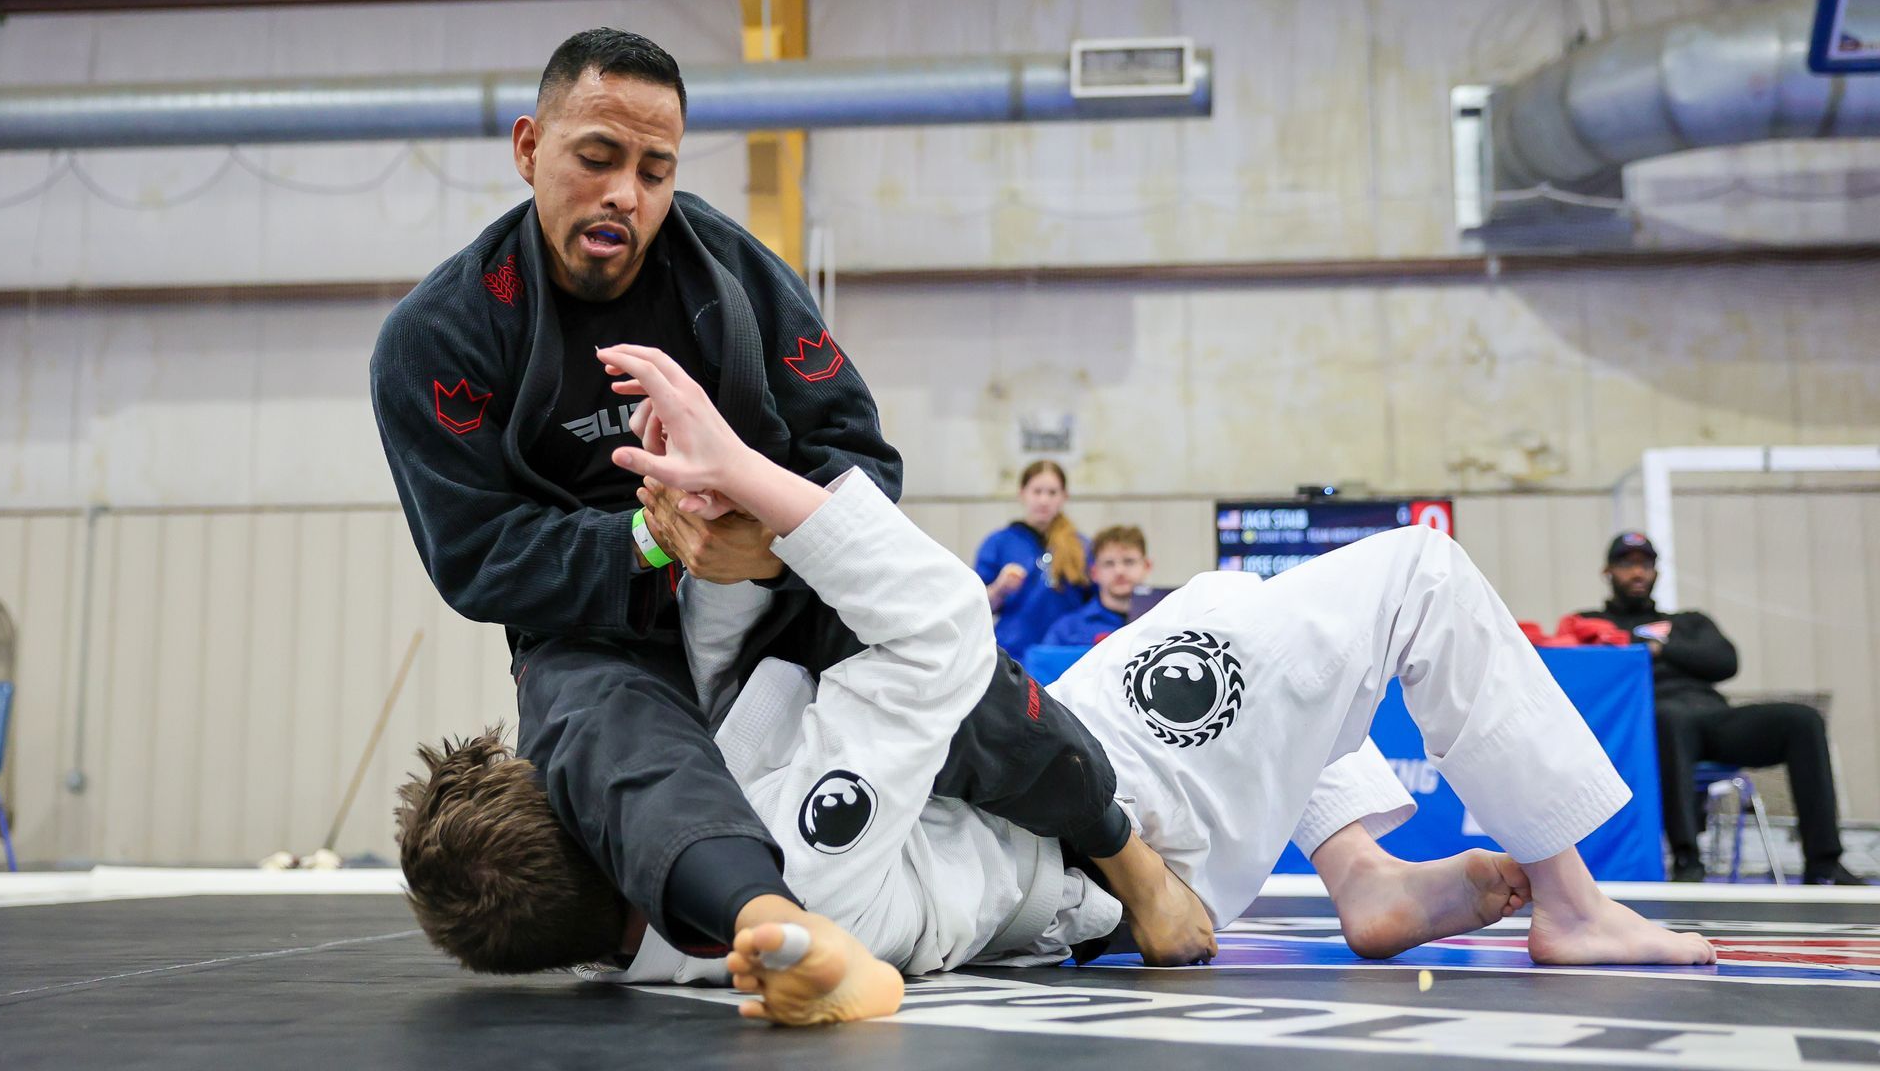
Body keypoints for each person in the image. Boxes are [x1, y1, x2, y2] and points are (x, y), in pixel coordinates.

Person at [396, 343, 1716, 1027]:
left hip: (1065, 810)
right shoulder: (784, 865)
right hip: (1133, 821)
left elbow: (745, 679)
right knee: (1414, 575)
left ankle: (1364, 871)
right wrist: (758, 485)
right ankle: (1572, 901)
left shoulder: (673, 928)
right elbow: (937, 639)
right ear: (600, 814)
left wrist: (719, 565)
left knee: (1221, 602)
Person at [369, 27, 912, 959]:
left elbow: (860, 459)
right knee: (598, 729)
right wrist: (653, 540)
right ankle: (769, 928)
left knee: (929, 642)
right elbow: (475, 556)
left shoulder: (732, 276)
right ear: (530, 147)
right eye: (597, 157)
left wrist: (772, 544)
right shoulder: (439, 338)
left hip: (777, 590)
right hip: (599, 634)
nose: (627, 193)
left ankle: (1120, 851)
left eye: (656, 170)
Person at [1575, 532, 1865, 886]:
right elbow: (1586, 675)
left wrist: (1659, 649)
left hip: (1715, 720)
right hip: (1652, 729)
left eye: (1645, 565)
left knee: (1802, 720)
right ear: (1608, 571)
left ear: (1656, 572)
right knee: (1669, 718)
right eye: (1627, 564)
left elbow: (1724, 661)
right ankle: (1687, 859)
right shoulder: (1589, 624)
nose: (1637, 573)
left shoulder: (1689, 621)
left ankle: (1824, 864)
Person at [975, 461, 1093, 659]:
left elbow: (1097, 602)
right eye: (1037, 491)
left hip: (1066, 654)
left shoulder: (1081, 546)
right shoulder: (999, 543)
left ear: (1064, 496)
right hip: (1014, 654)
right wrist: (999, 589)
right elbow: (976, 606)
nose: (1044, 500)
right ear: (1022, 494)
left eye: (1052, 493)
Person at [1043, 524, 1152, 647]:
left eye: (1129, 561)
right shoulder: (1067, 631)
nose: (1119, 571)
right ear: (1094, 573)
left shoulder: (1166, 621)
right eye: (1109, 563)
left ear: (1147, 566)